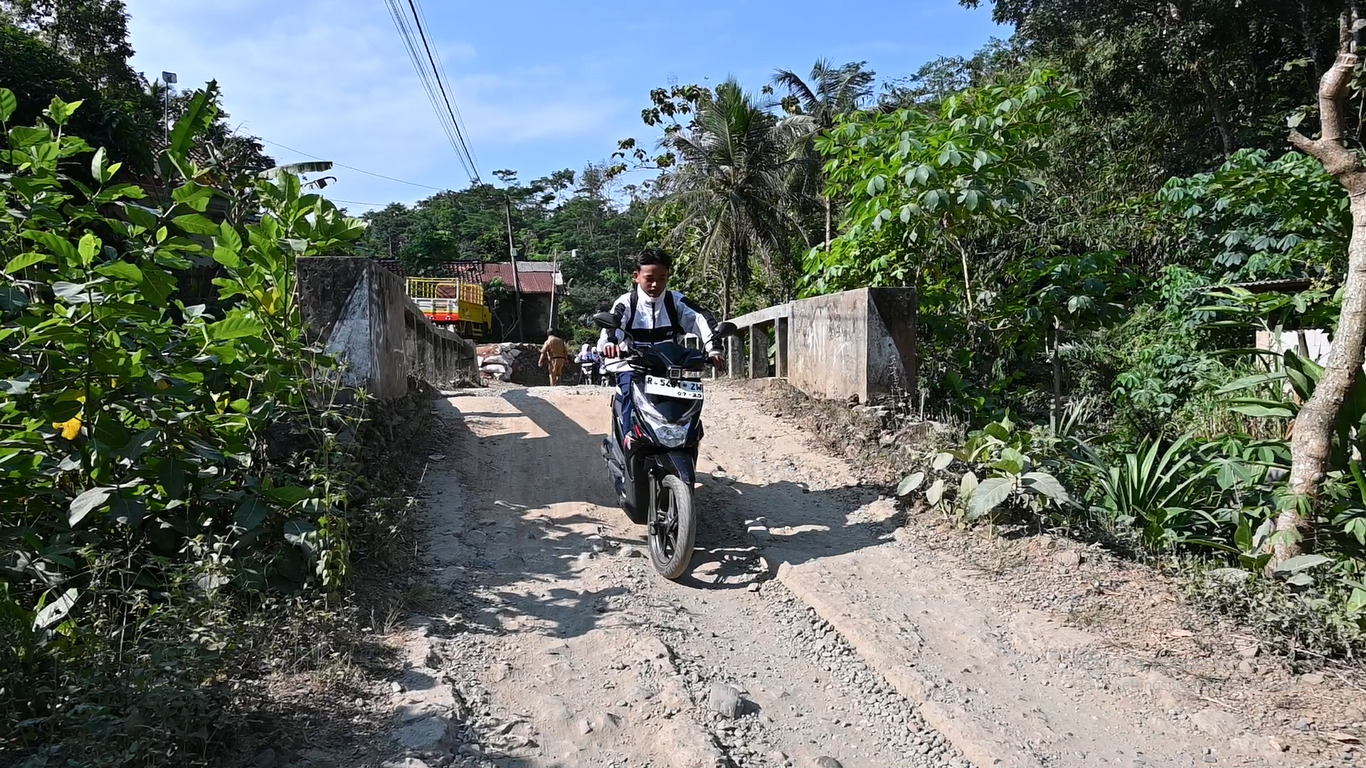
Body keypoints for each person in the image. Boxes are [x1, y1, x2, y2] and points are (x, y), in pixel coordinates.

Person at [598, 249, 725, 442]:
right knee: (630, 393)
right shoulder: (627, 302)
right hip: (631, 366)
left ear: (668, 276)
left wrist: (714, 349)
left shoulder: (676, 302)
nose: (655, 284)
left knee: (688, 400)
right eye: (649, 279)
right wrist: (610, 343)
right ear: (636, 276)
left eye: (662, 278)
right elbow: (614, 324)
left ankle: (688, 439)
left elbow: (702, 319)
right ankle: (629, 440)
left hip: (669, 367)